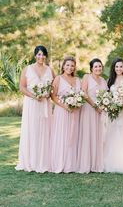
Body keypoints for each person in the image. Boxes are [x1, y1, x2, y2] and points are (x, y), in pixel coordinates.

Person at [16, 45, 54, 173]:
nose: (40, 56)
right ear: (34, 56)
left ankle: (44, 161)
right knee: (32, 129)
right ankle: (31, 161)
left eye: (43, 54)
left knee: (45, 130)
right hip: (31, 104)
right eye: (38, 54)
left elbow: (53, 89)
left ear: (46, 56)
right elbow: (22, 87)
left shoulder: (50, 70)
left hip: (45, 104)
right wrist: (34, 96)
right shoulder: (27, 69)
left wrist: (47, 94)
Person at [103, 58, 123, 174]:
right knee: (111, 134)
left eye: (121, 66)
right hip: (113, 112)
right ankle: (111, 161)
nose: (118, 69)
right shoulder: (110, 80)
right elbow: (107, 97)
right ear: (113, 68)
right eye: (116, 67)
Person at [50, 57, 81, 173]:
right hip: (62, 111)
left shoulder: (78, 80)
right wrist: (65, 106)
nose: (70, 67)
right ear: (63, 66)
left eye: (72, 65)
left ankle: (71, 164)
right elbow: (53, 96)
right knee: (62, 135)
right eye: (67, 65)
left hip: (75, 112)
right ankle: (59, 163)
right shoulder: (58, 79)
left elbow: (81, 95)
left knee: (72, 136)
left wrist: (77, 103)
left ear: (74, 68)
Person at [77, 58, 107, 173]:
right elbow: (83, 93)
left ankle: (96, 163)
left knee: (98, 135)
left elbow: (106, 96)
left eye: (100, 66)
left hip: (100, 111)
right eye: (95, 66)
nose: (98, 68)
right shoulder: (86, 77)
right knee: (88, 134)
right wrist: (95, 106)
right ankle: (86, 164)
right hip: (89, 109)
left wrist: (103, 106)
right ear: (91, 68)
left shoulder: (103, 81)